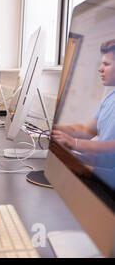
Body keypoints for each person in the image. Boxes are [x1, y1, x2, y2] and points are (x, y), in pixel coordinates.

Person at [51, 39, 115, 190]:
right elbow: (86, 130)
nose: (100, 69)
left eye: (106, 64)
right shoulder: (110, 97)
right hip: (97, 169)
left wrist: (75, 143)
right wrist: (56, 129)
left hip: (107, 179)